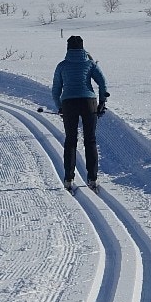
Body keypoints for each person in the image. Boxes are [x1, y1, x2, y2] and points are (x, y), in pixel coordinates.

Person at [51, 34, 109, 192]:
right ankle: (92, 178)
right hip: (88, 102)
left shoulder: (62, 65)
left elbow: (56, 89)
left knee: (70, 140)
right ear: (82, 47)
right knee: (90, 140)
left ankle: (68, 178)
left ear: (68, 48)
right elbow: (103, 82)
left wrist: (60, 106)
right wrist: (103, 100)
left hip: (69, 103)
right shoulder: (90, 64)